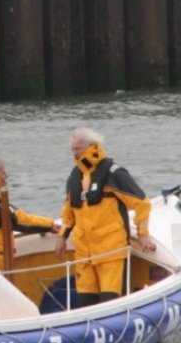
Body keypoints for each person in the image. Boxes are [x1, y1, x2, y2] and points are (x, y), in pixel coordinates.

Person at [54, 127, 156, 307]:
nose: (74, 154)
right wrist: (62, 237)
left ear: (91, 146)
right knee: (86, 300)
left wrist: (143, 233)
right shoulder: (75, 176)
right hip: (84, 252)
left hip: (110, 249)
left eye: (77, 149)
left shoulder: (113, 173)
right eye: (73, 150)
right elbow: (68, 211)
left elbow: (142, 203)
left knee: (110, 300)